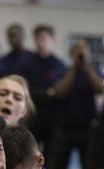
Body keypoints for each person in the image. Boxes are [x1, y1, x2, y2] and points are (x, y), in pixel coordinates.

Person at [47, 40, 103, 169]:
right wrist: (75, 67)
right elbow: (60, 92)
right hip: (64, 127)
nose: (81, 52)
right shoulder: (62, 70)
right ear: (71, 52)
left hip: (86, 127)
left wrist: (86, 67)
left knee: (89, 166)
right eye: (77, 49)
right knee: (57, 166)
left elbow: (100, 89)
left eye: (84, 49)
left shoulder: (92, 72)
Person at [21, 25, 66, 158]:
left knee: (50, 158)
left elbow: (58, 91)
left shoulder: (59, 65)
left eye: (45, 38)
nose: (42, 42)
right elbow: (24, 88)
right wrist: (47, 93)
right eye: (39, 38)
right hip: (31, 116)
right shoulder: (27, 63)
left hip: (53, 118)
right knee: (28, 155)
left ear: (52, 40)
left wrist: (41, 93)